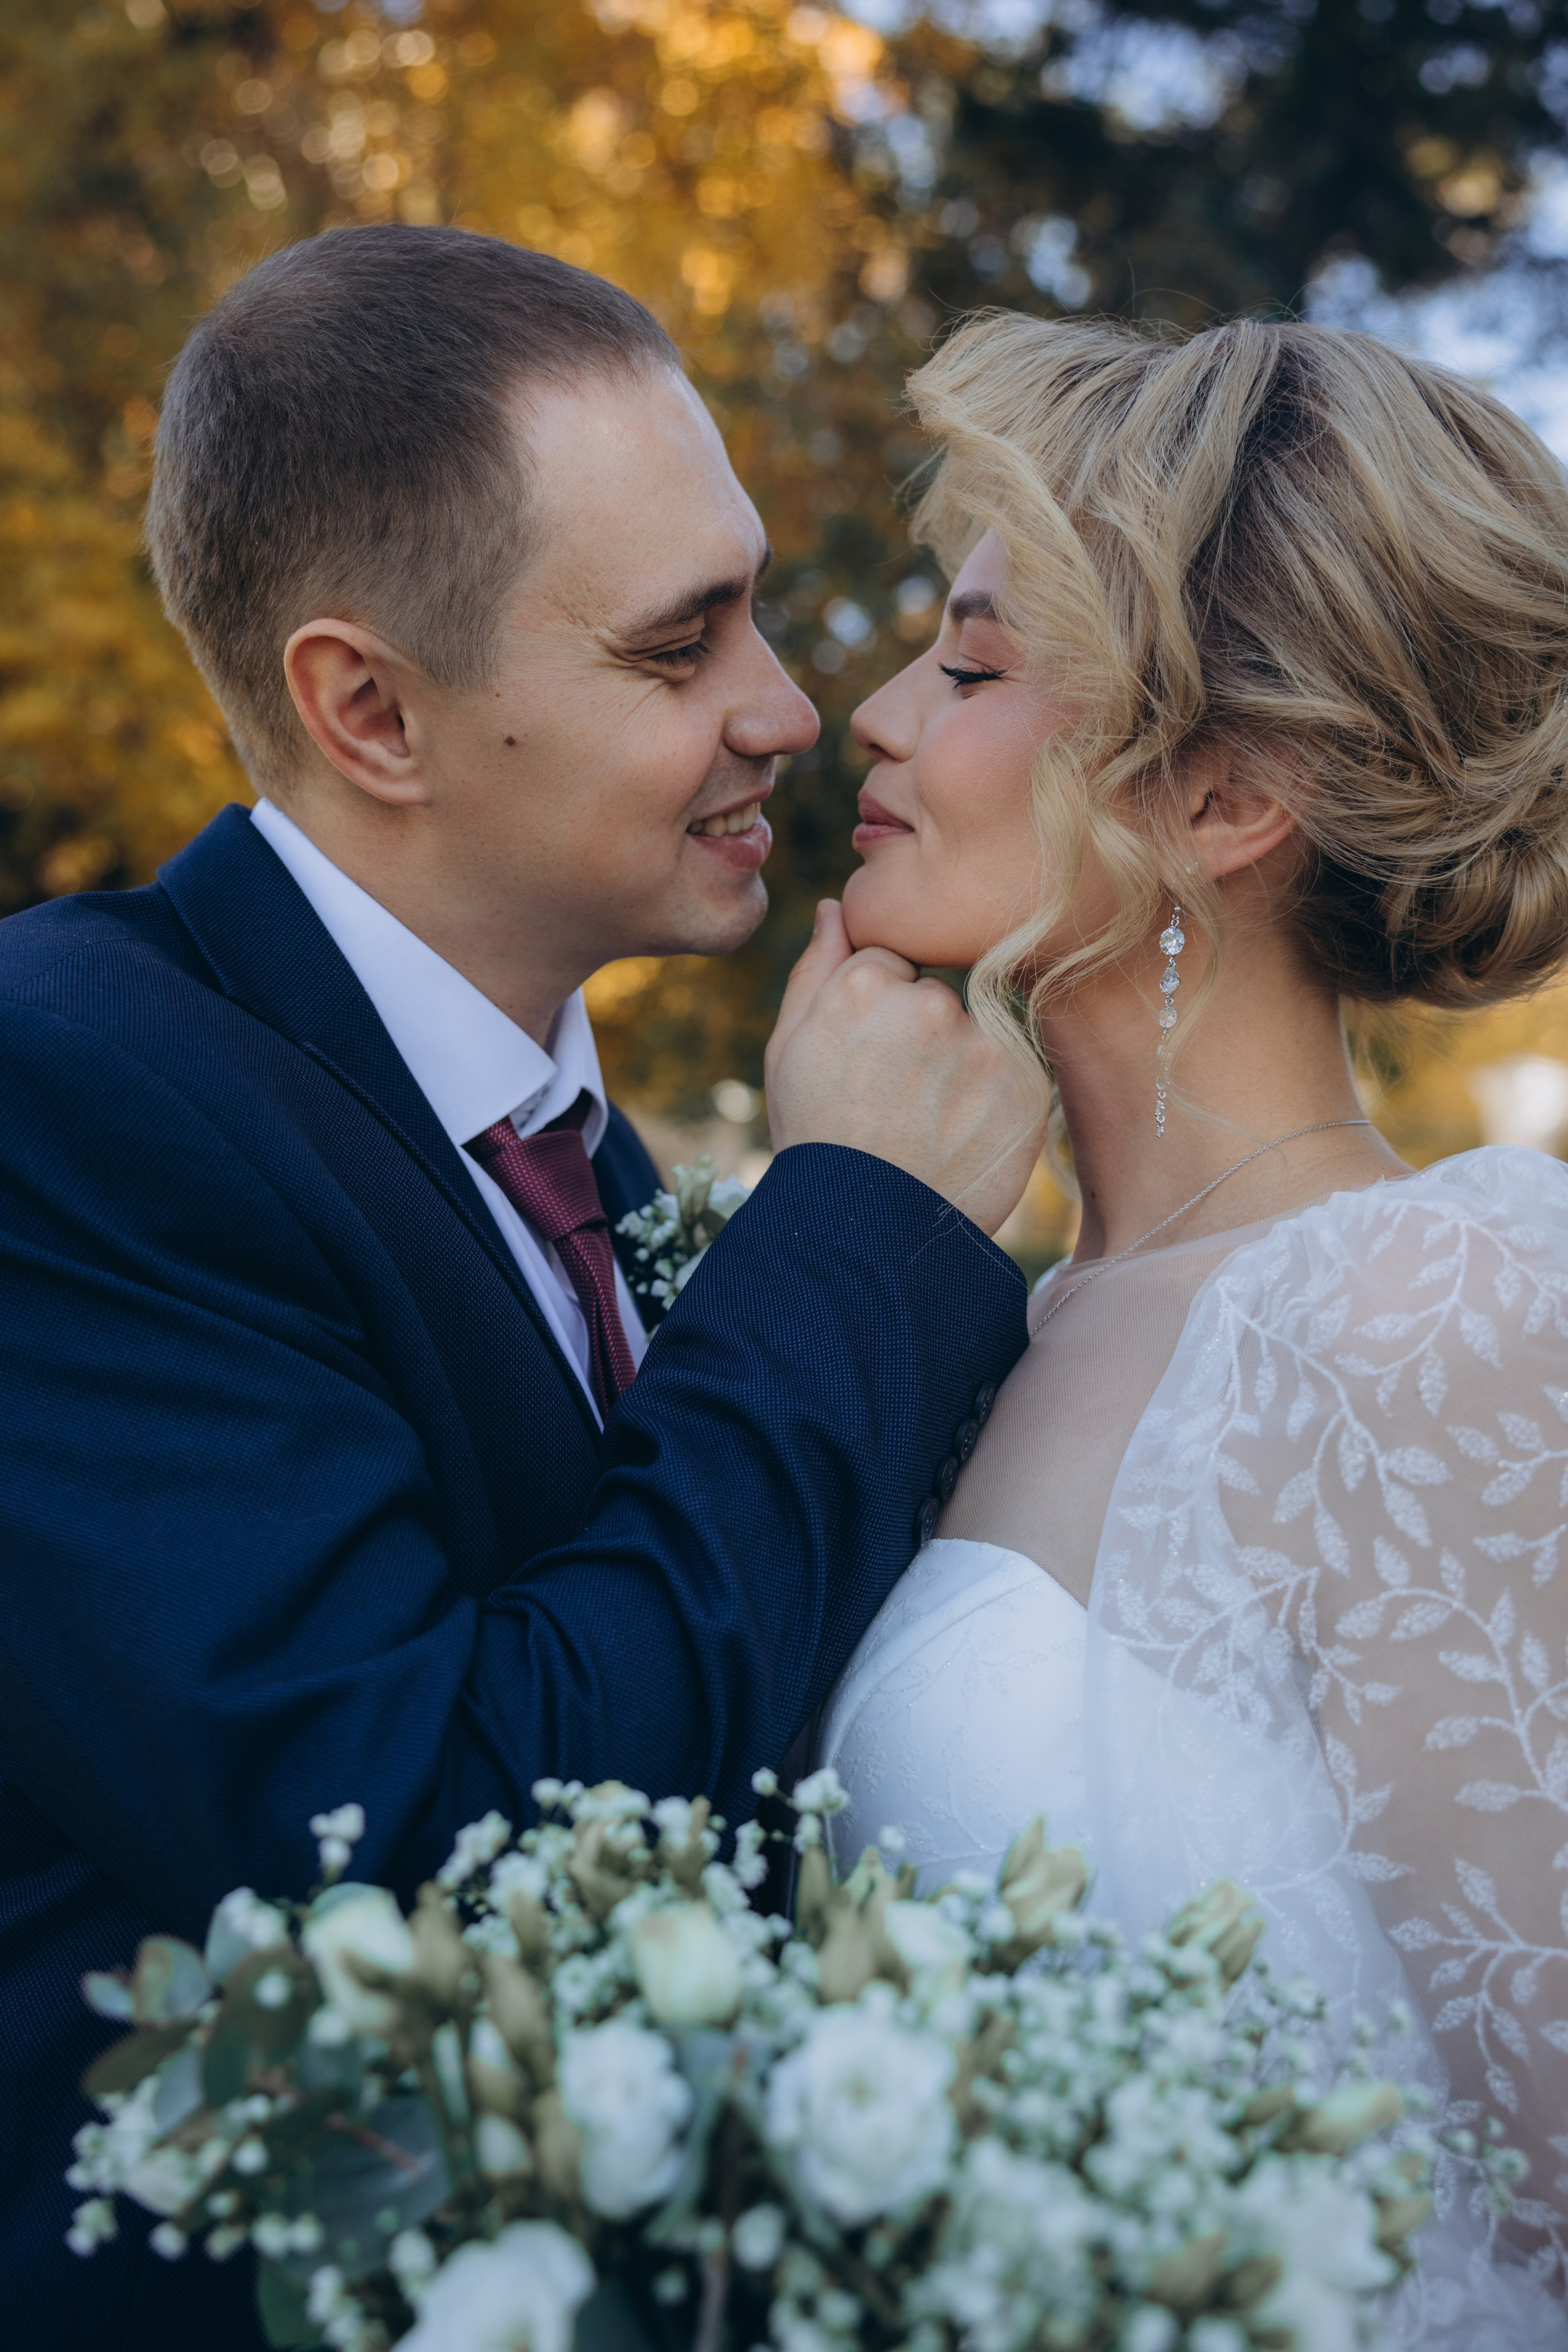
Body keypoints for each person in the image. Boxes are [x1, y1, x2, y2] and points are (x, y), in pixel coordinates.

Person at [0, 227, 1047, 2350]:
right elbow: (418, 1835)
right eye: (679, 648)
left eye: (752, 605)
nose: (787, 707)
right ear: (369, 709)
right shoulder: (65, 1089)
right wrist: (854, 1228)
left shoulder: (587, 1165)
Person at [817, 313, 1568, 2345]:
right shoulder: (1010, 1310)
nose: (874, 714)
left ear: (1224, 798)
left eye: (973, 668)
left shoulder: (1427, 1320)